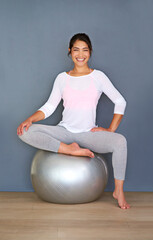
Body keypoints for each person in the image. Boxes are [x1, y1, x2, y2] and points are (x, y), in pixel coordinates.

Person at [17, 33, 130, 209]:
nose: (80, 54)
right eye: (76, 49)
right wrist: (30, 119)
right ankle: (70, 150)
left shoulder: (98, 77)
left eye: (85, 50)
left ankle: (119, 190)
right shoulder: (62, 78)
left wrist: (110, 130)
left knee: (120, 142)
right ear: (70, 51)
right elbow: (49, 107)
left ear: (90, 52)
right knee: (25, 131)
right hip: (64, 132)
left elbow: (120, 101)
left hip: (88, 133)